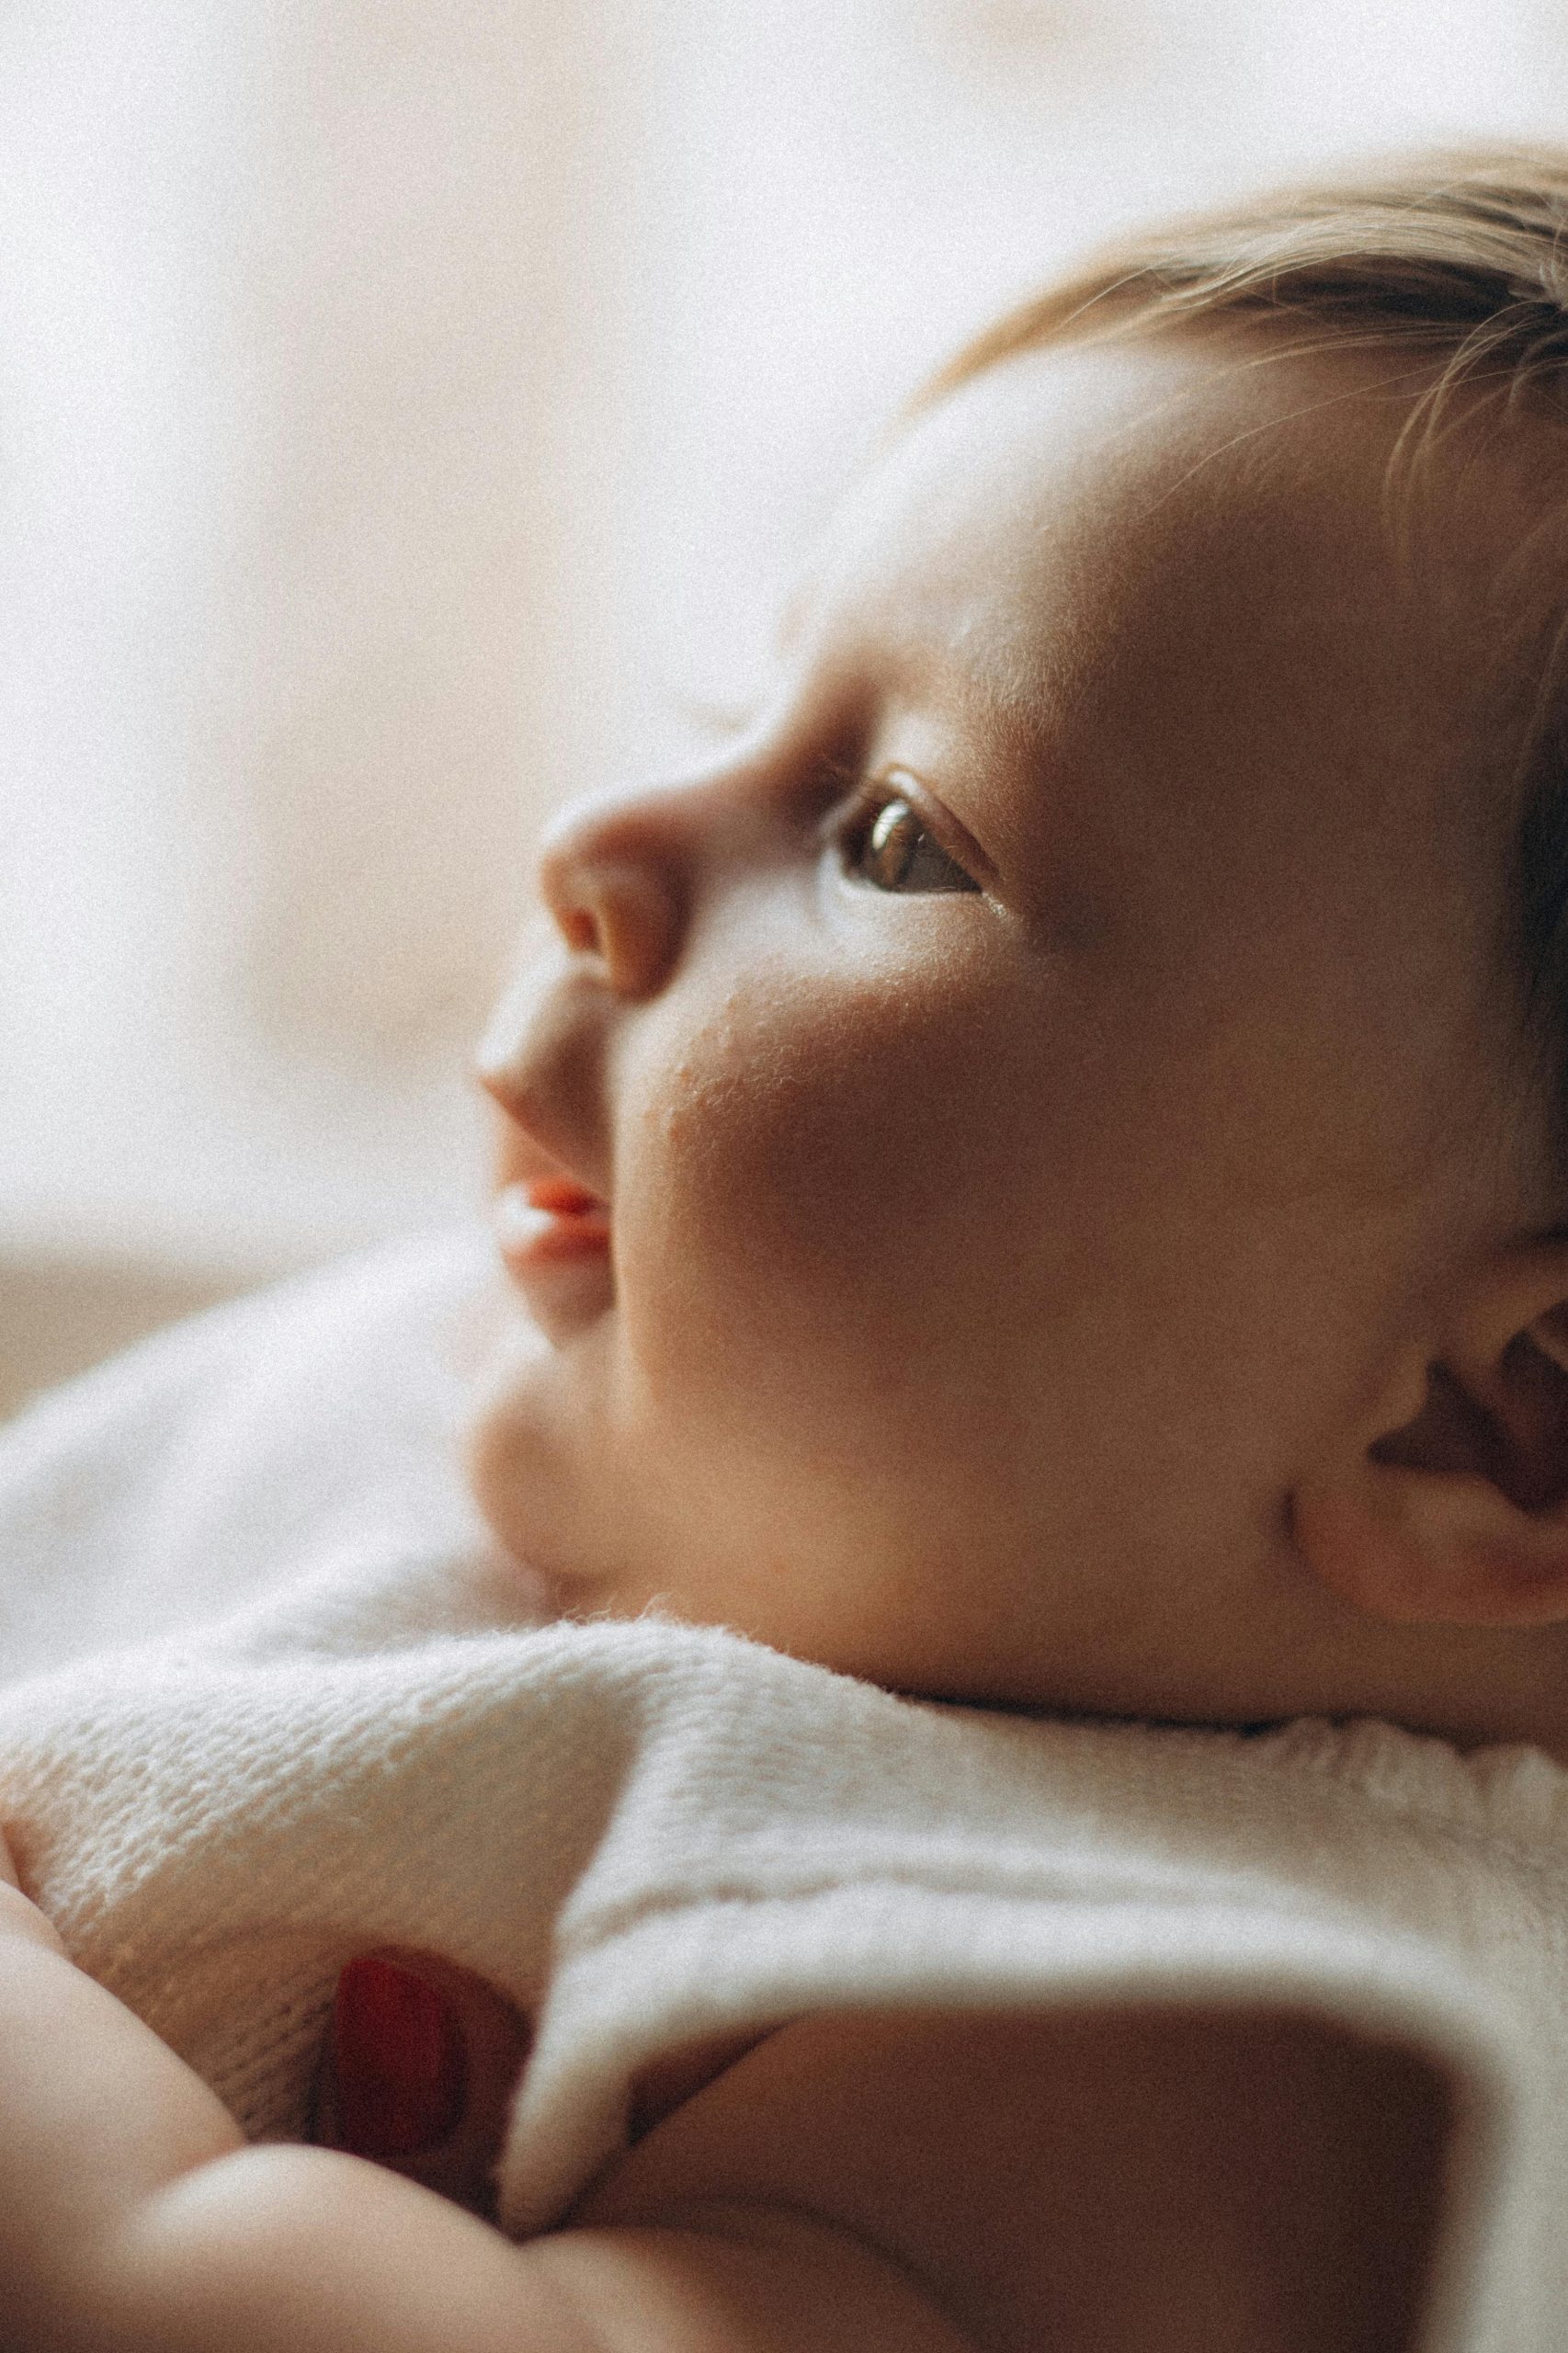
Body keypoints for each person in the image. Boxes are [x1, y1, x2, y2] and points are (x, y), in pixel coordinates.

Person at [5, 146, 1568, 2349]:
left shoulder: (1198, 2041)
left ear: (1490, 1430)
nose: (598, 841)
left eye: (894, 834)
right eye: (730, 712)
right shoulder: (595, 1398)